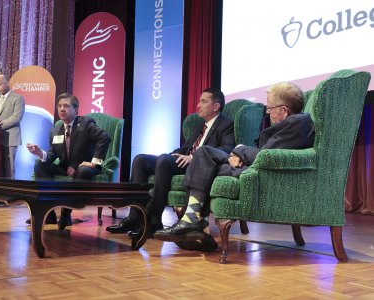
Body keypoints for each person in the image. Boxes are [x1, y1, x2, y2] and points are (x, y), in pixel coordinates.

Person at [154, 82, 315, 252]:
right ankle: (195, 221)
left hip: (260, 174)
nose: (268, 114)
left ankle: (193, 220)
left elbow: (266, 155)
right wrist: (237, 154)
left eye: (270, 109)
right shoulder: (293, 123)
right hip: (255, 167)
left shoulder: (298, 122)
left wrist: (239, 150)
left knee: (205, 158)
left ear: (283, 110)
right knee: (203, 154)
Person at [106, 88, 235, 237]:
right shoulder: (200, 124)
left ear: (216, 106)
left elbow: (226, 149)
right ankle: (135, 217)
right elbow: (186, 147)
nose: (198, 105)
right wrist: (173, 154)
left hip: (200, 166)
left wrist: (193, 157)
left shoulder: (226, 124)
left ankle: (154, 221)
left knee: (164, 160)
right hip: (183, 161)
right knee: (140, 159)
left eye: (203, 101)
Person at [26, 93, 111, 227]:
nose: (62, 109)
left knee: (83, 170)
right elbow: (53, 155)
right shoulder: (55, 130)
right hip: (66, 167)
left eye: (66, 106)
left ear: (76, 110)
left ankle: (66, 214)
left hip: (85, 167)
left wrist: (95, 162)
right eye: (59, 106)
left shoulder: (86, 123)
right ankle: (48, 214)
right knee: (40, 165)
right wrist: (39, 153)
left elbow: (104, 138)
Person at [0, 74, 25, 179]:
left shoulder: (18, 98)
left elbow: (16, 117)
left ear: (7, 83)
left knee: (9, 170)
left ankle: (10, 194)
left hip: (10, 139)